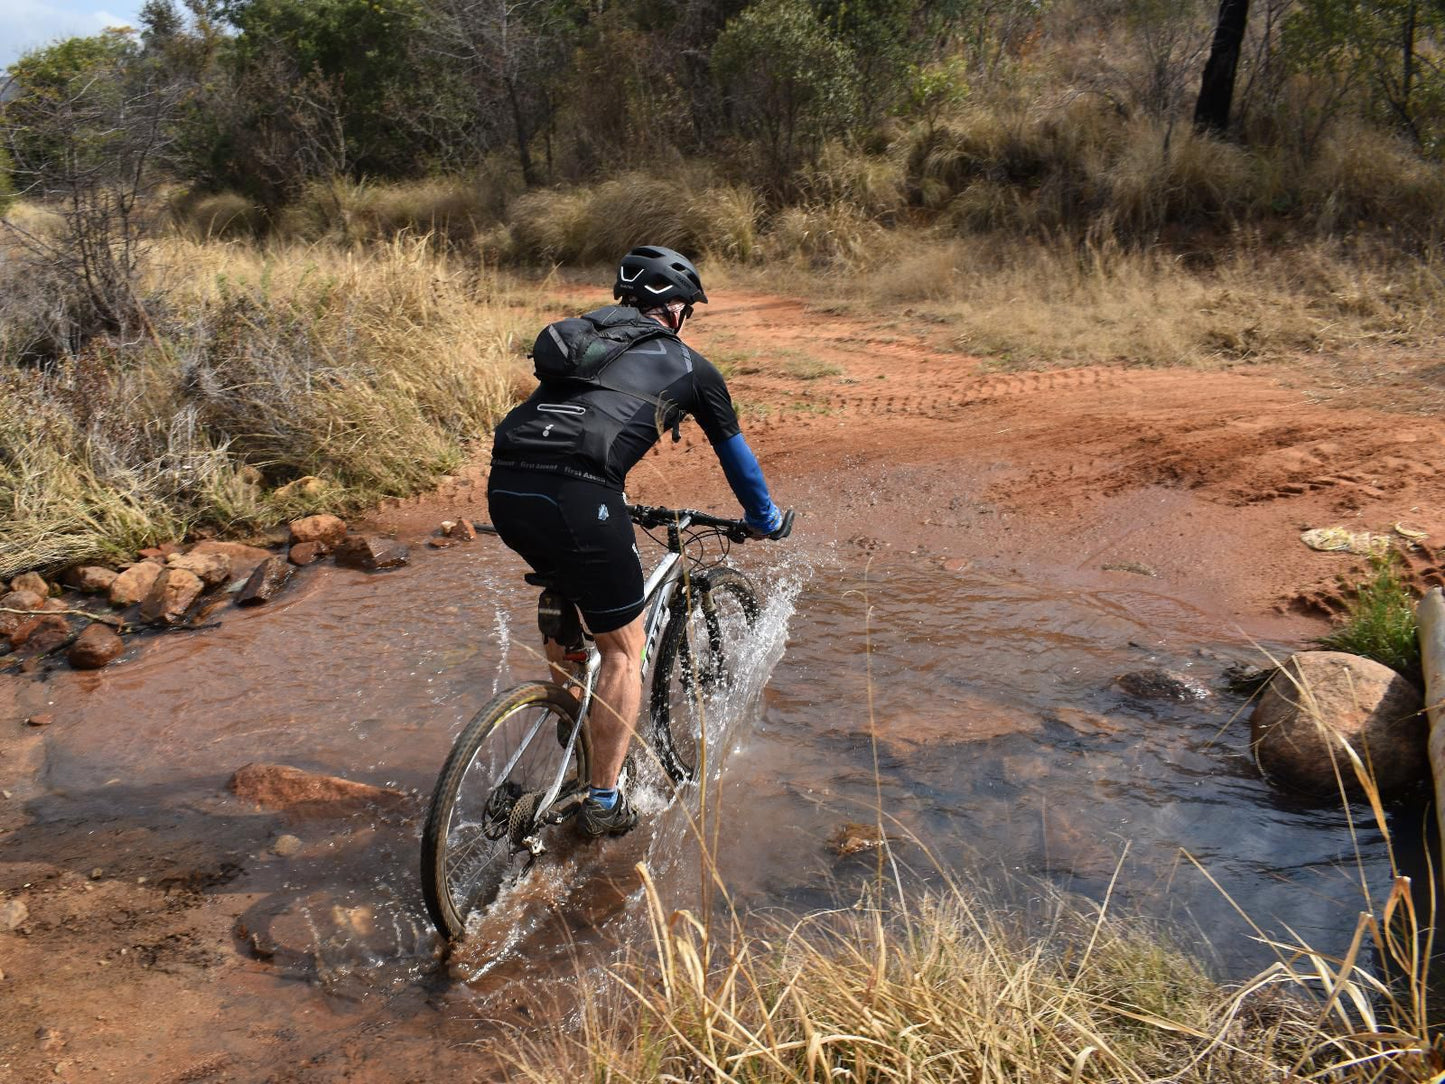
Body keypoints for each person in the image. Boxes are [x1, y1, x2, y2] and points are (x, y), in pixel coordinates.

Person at [486, 245, 788, 839]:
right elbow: (739, 462)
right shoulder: (692, 368)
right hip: (580, 495)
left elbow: (578, 415)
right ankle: (603, 798)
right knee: (624, 650)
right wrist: (766, 519)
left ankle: (570, 721)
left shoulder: (586, 339)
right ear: (674, 308)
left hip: (507, 487)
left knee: (568, 590)